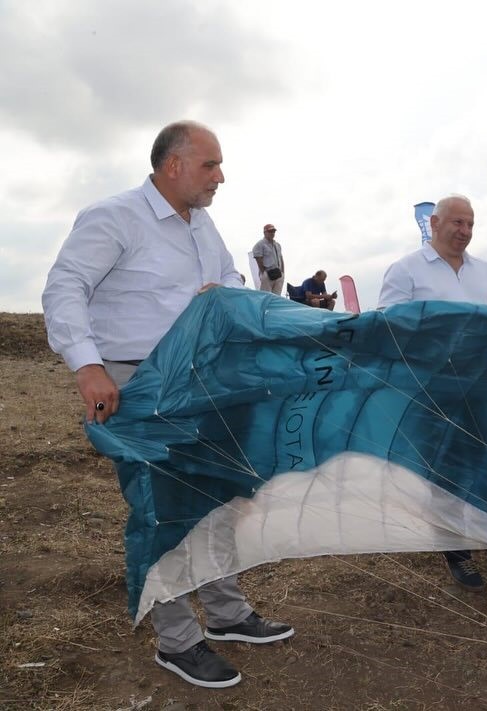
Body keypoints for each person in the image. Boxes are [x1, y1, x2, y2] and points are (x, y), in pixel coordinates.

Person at [42, 121, 293, 689]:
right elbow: (64, 287)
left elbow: (228, 275)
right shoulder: (114, 217)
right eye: (211, 165)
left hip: (200, 379)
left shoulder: (202, 225)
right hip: (136, 380)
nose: (220, 177)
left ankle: (227, 614)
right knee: (161, 509)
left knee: (215, 494)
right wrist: (88, 366)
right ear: (173, 164)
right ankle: (178, 641)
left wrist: (223, 293)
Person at [378, 194, 487, 591]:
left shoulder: (483, 271)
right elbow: (389, 330)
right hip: (433, 390)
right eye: (457, 223)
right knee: (446, 469)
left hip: (483, 387)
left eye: (470, 224)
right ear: (434, 223)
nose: (464, 231)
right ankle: (455, 550)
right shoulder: (406, 270)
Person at [252, 223, 285, 295]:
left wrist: (283, 273)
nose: (272, 233)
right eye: (270, 231)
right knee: (265, 296)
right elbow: (258, 259)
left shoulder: (277, 245)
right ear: (265, 232)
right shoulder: (260, 244)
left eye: (273, 231)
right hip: (268, 272)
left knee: (277, 297)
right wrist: (264, 273)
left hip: (278, 273)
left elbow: (281, 258)